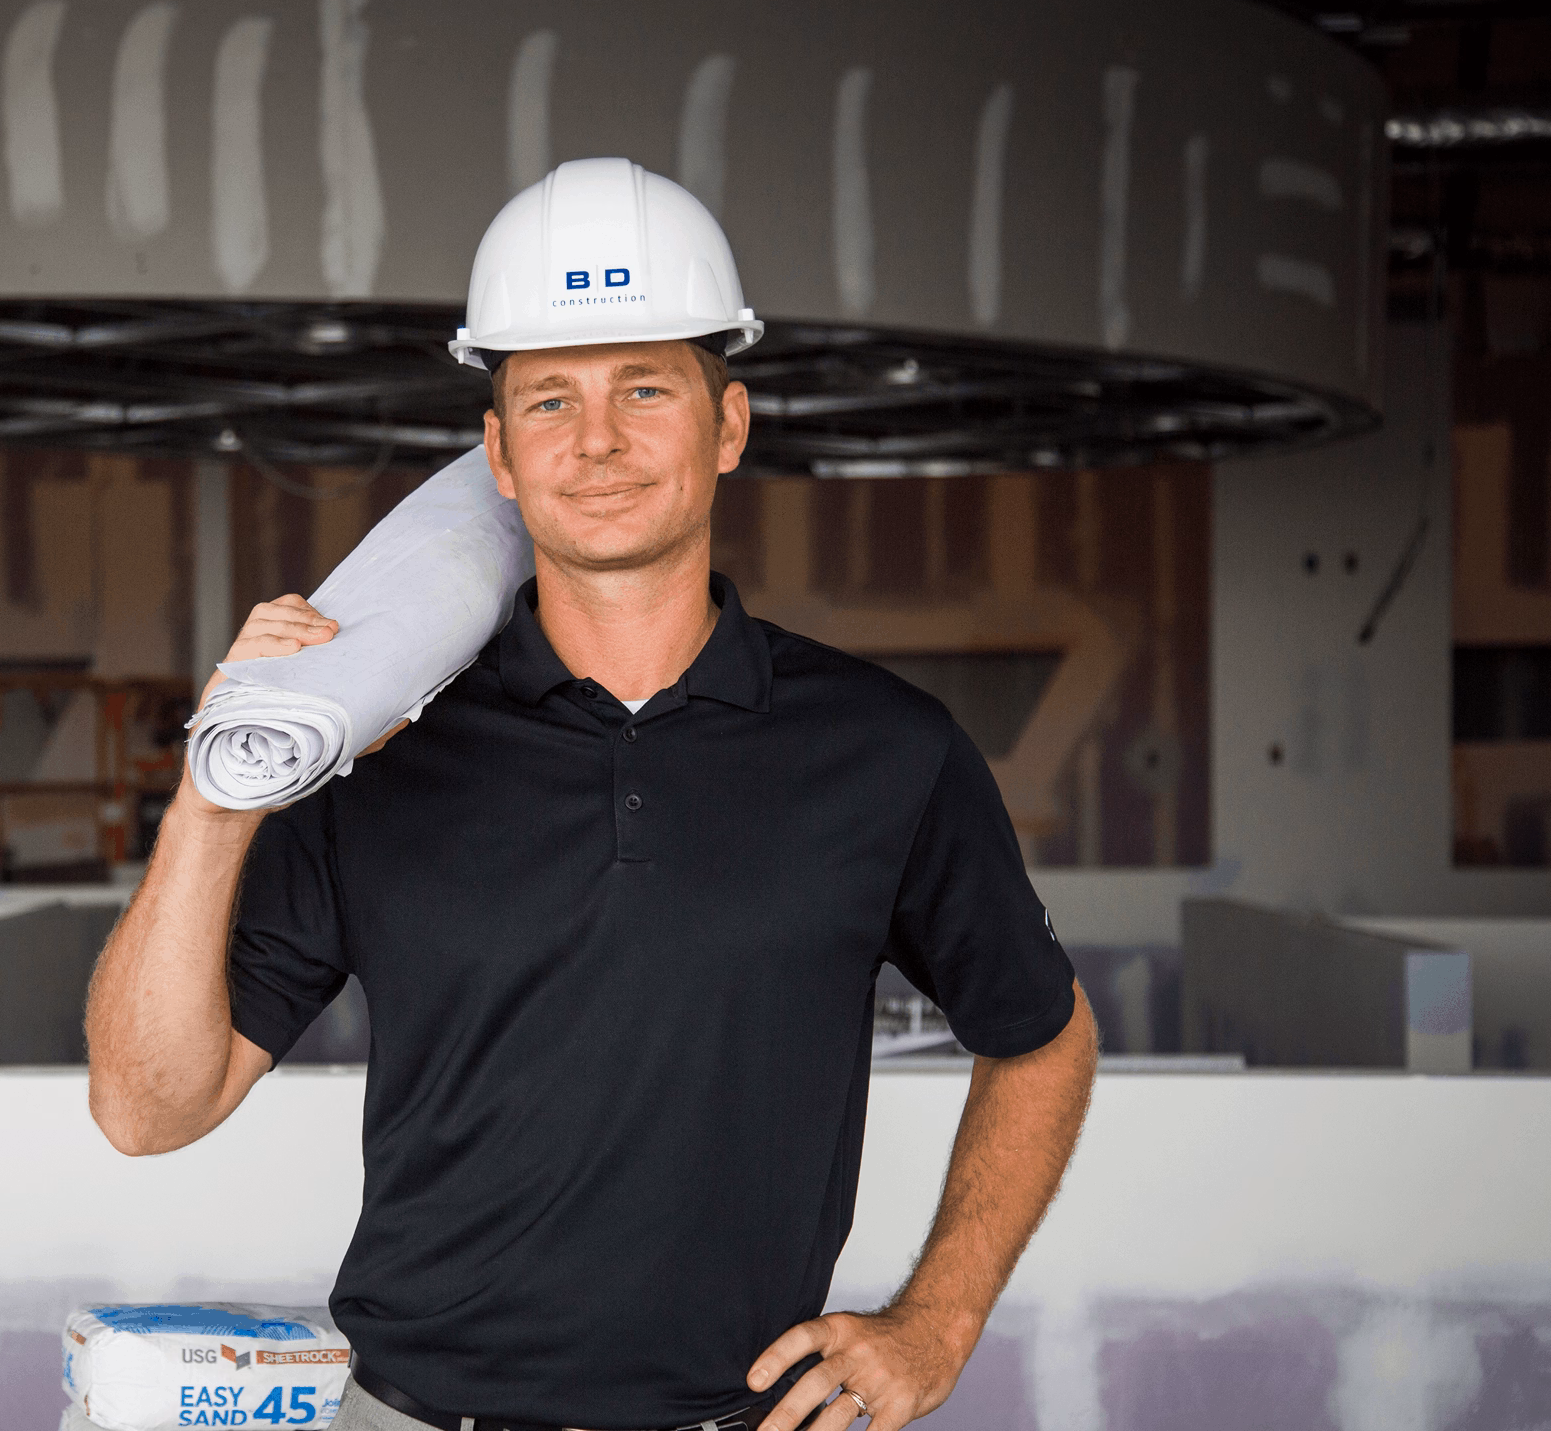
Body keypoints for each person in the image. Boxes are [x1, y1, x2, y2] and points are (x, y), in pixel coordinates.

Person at [86, 158, 1096, 1431]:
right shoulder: (382, 755)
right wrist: (214, 798)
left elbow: (1044, 1036)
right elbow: (146, 1107)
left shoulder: (888, 751)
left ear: (730, 423)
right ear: (499, 455)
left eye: (645, 387)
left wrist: (936, 1324)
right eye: (550, 398)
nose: (599, 440)